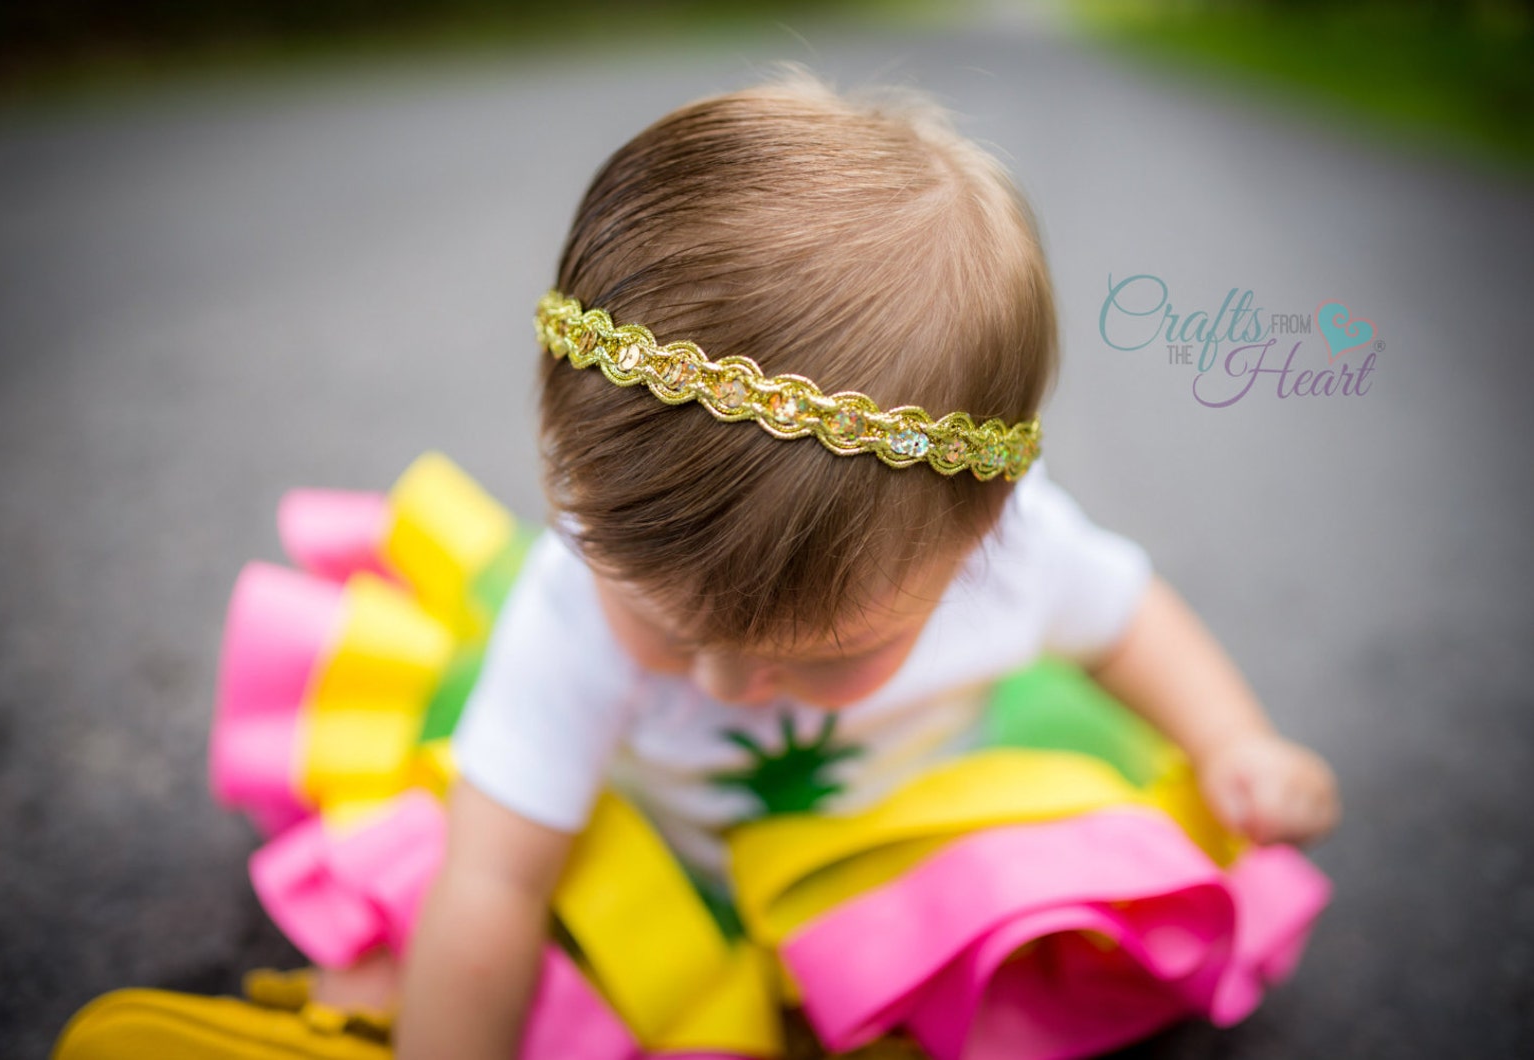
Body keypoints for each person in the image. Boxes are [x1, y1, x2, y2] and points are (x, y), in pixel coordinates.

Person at [359, 69, 1340, 1059]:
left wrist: (1230, 742)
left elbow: (1125, 621)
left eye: (827, 654)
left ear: (981, 531)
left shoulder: (1017, 549)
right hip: (679, 885)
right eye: (664, 624)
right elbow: (492, 881)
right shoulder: (573, 605)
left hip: (908, 862)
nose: (725, 683)